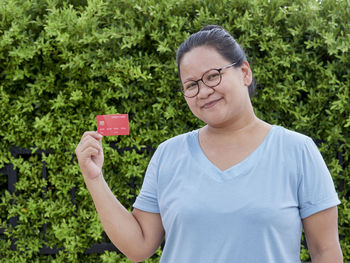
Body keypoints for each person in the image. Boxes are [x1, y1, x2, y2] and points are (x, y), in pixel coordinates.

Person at [75, 25, 343, 263]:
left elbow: (326, 251)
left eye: (213, 75)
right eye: (191, 85)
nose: (203, 91)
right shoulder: (170, 154)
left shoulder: (297, 151)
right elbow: (138, 246)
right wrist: (94, 178)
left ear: (244, 73)